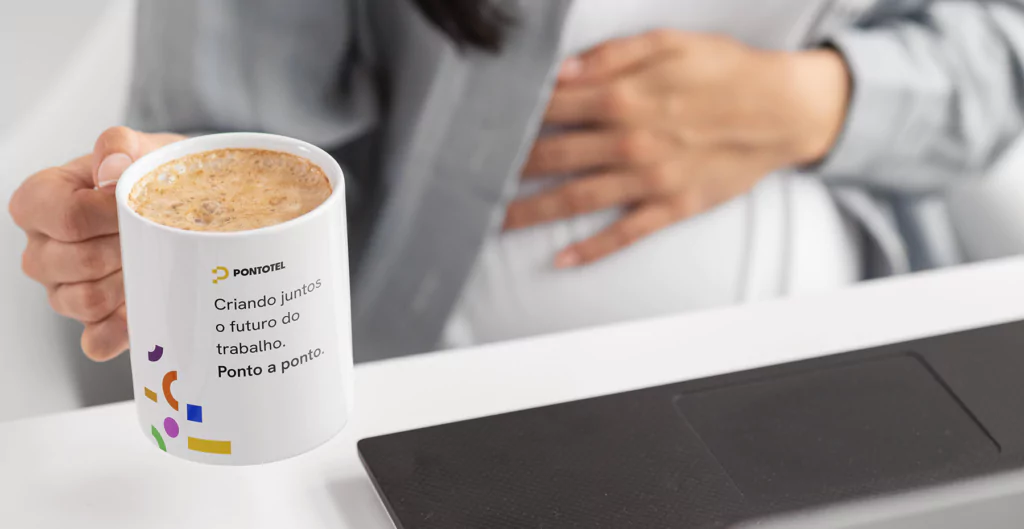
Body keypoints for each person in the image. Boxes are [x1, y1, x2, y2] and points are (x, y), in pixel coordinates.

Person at [10, 0, 1024, 362]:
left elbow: (998, 52)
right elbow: (239, 151)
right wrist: (162, 237)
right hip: (457, 406)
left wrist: (816, 101)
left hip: (846, 348)